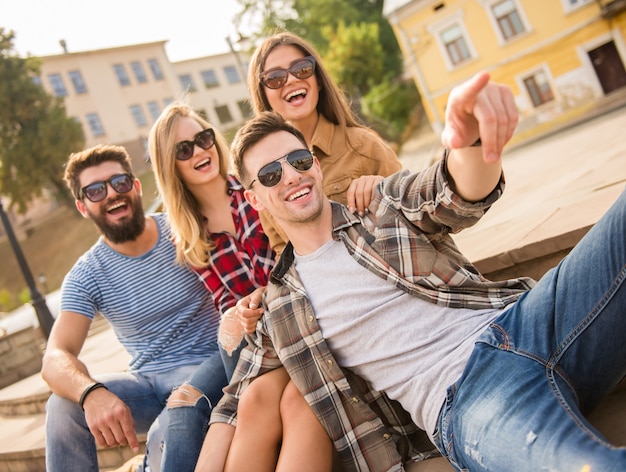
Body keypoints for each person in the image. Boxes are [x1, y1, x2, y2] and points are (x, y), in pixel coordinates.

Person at [209, 72, 626, 471]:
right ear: (255, 199)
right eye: (270, 174)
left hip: (529, 321)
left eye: (298, 160)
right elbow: (233, 402)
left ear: (315, 165)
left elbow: (452, 192)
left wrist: (470, 141)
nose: (291, 176)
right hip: (469, 397)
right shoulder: (281, 305)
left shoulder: (378, 205)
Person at [148, 102, 335, 472]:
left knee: (246, 403)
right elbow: (223, 299)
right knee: (183, 402)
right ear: (170, 166)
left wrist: (263, 296)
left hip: (289, 308)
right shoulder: (187, 232)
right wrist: (240, 310)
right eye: (184, 150)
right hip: (246, 330)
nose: (200, 151)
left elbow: (298, 252)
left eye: (202, 139)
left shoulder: (258, 186)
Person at [41, 144, 228, 472]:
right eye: (96, 190)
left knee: (166, 431)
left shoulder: (181, 227)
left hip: (204, 370)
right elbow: (56, 356)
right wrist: (91, 393)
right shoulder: (87, 273)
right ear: (83, 207)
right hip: (145, 384)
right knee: (62, 407)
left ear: (136, 186)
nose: (112, 194)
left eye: (120, 182)